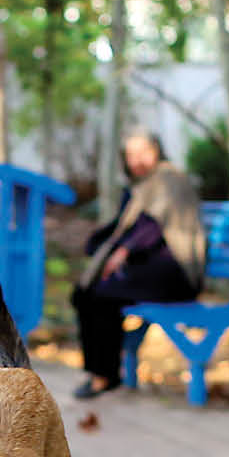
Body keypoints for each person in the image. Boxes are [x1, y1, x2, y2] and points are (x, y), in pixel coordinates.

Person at [69, 130, 205, 399]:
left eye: (144, 152)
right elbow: (122, 226)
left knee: (100, 295)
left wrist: (123, 252)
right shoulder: (142, 186)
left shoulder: (170, 180)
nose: (137, 160)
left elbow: (152, 227)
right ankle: (100, 372)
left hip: (177, 274)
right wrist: (97, 245)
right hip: (149, 271)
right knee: (85, 293)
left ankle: (104, 376)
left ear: (157, 151)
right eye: (131, 155)